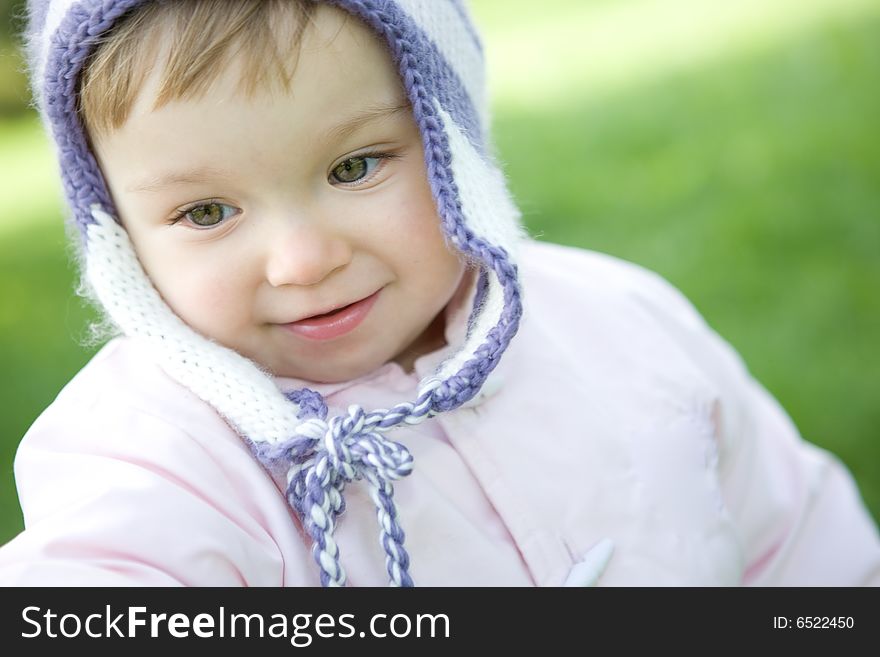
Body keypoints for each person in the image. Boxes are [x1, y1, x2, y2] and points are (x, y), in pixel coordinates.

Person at [1, 0, 877, 587]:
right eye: (205, 210)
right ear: (118, 234)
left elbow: (795, 540)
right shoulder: (152, 454)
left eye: (354, 166)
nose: (302, 261)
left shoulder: (618, 322)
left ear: (452, 138)